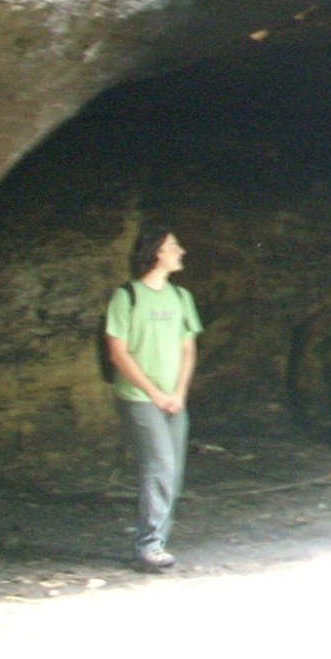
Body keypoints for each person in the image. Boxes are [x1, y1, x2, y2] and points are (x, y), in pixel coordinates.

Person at [105, 226, 203, 573]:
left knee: (172, 470)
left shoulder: (181, 298)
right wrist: (154, 393)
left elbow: (188, 349)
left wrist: (178, 393)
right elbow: (118, 352)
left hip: (173, 399)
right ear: (156, 252)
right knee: (160, 464)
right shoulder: (126, 297)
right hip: (138, 397)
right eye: (174, 246)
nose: (181, 251)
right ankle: (148, 546)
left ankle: (157, 541)